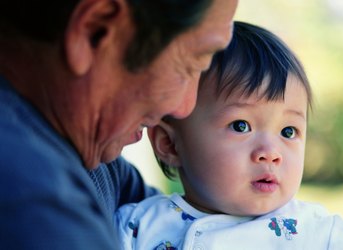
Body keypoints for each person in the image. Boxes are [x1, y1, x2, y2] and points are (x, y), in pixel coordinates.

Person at [0, 0, 238, 249]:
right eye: (192, 65)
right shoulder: (33, 203)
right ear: (96, 31)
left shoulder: (100, 167)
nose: (184, 107)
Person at [115, 21, 343, 249]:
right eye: (241, 126)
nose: (270, 153)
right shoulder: (136, 227)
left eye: (288, 131)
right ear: (169, 144)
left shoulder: (322, 234)